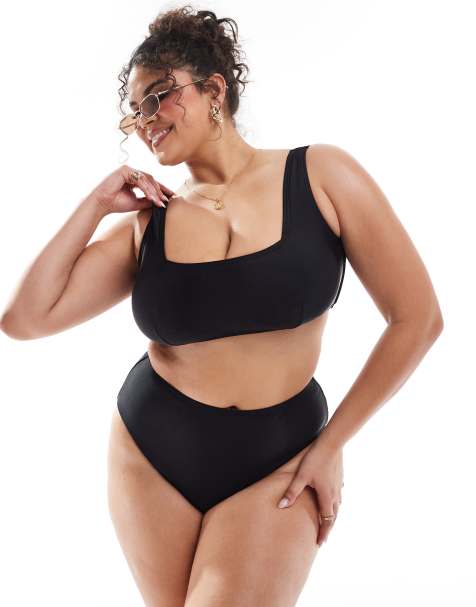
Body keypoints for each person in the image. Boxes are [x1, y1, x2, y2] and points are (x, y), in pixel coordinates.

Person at [0, 5, 444, 607]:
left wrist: (331, 445)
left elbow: (417, 318)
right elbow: (24, 320)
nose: (145, 121)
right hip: (152, 452)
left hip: (282, 454)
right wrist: (97, 203)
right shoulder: (149, 225)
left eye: (158, 97)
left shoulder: (320, 174)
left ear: (214, 89)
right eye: (134, 111)